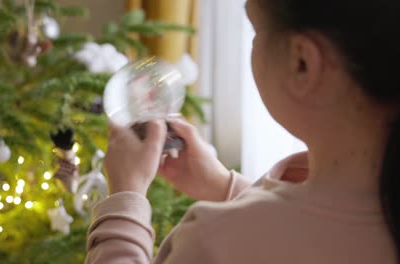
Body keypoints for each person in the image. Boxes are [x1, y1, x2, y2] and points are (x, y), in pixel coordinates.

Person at [85, 0, 400, 263]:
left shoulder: (214, 241)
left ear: (301, 62)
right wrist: (227, 188)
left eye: (256, 31)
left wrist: (126, 194)